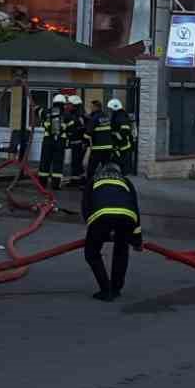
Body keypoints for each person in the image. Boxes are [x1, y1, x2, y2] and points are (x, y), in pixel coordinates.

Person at [84, 162, 142, 301]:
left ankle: (105, 290)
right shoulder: (126, 181)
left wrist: (95, 232)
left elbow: (86, 207)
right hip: (127, 217)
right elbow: (135, 207)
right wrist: (136, 240)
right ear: (119, 171)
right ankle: (116, 288)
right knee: (121, 250)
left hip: (102, 217)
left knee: (91, 253)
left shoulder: (94, 180)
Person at [37, 94, 66, 200]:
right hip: (60, 142)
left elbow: (39, 112)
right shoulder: (65, 114)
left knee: (45, 162)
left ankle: (42, 183)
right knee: (57, 163)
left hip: (48, 141)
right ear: (63, 103)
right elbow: (71, 127)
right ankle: (55, 184)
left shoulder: (47, 112)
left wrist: (37, 108)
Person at [85, 104, 116, 189]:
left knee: (91, 168)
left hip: (98, 148)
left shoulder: (94, 118)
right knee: (106, 167)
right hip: (108, 147)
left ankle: (88, 185)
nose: (90, 109)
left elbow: (88, 133)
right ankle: (108, 184)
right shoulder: (106, 117)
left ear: (96, 107)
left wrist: (85, 141)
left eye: (91, 107)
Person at [107, 98, 134, 174]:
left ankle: (123, 176)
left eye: (111, 109)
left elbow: (124, 130)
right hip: (121, 144)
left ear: (115, 108)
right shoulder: (118, 115)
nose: (110, 110)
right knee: (119, 160)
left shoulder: (121, 117)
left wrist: (116, 136)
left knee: (122, 161)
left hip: (123, 145)